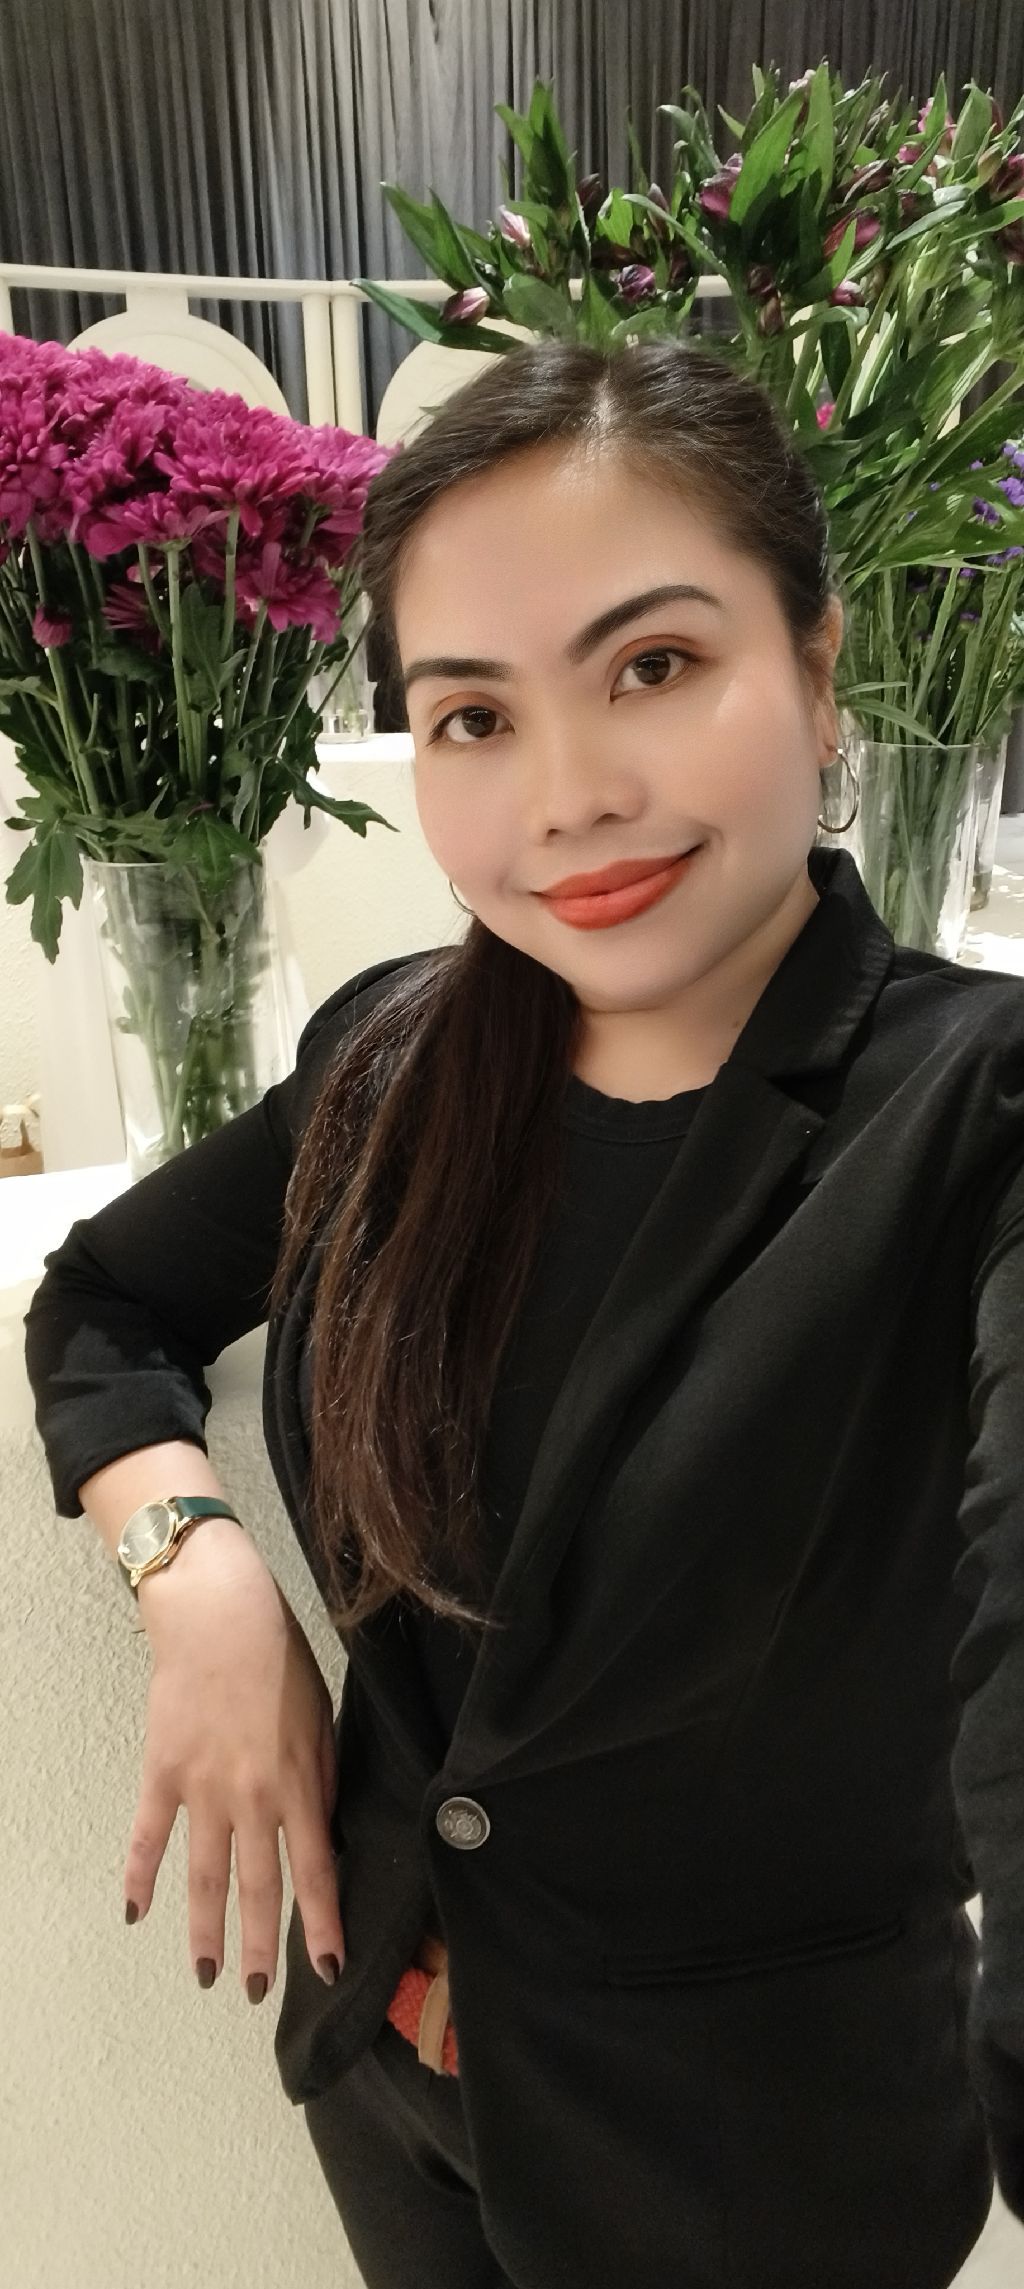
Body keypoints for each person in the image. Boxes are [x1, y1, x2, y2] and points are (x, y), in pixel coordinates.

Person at [23, 335, 1024, 2289]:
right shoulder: (390, 1055)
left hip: (754, 2180)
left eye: (652, 665)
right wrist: (195, 1567)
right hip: (389, 2082)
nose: (568, 796)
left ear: (818, 669)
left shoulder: (973, 1110)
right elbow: (106, 1297)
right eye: (473, 713)